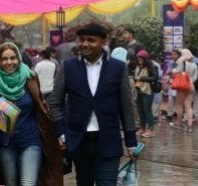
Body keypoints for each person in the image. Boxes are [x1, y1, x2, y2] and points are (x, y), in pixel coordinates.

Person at [49, 23, 138, 185]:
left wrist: (131, 142)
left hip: (108, 140)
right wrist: (62, 132)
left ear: (103, 42)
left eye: (91, 40)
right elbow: (54, 103)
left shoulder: (118, 68)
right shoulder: (68, 67)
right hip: (78, 141)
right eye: (81, 40)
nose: (85, 44)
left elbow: (127, 107)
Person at [0, 42, 62, 186]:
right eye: (4, 59)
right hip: (5, 145)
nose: (9, 62)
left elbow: (41, 104)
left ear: (18, 59)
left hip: (31, 142)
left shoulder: (30, 77)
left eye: (13, 58)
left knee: (28, 183)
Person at [168, 48, 198, 132]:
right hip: (191, 85)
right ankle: (190, 126)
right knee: (188, 106)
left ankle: (178, 123)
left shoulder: (183, 62)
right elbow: (195, 77)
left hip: (183, 85)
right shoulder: (195, 65)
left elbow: (176, 71)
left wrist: (172, 71)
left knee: (179, 105)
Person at [134, 50, 158, 138]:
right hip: (139, 91)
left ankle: (150, 129)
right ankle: (142, 127)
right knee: (140, 110)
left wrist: (143, 78)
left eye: (141, 59)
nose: (139, 60)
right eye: (138, 59)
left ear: (145, 59)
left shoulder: (152, 66)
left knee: (147, 110)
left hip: (148, 91)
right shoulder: (139, 67)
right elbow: (136, 77)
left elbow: (155, 77)